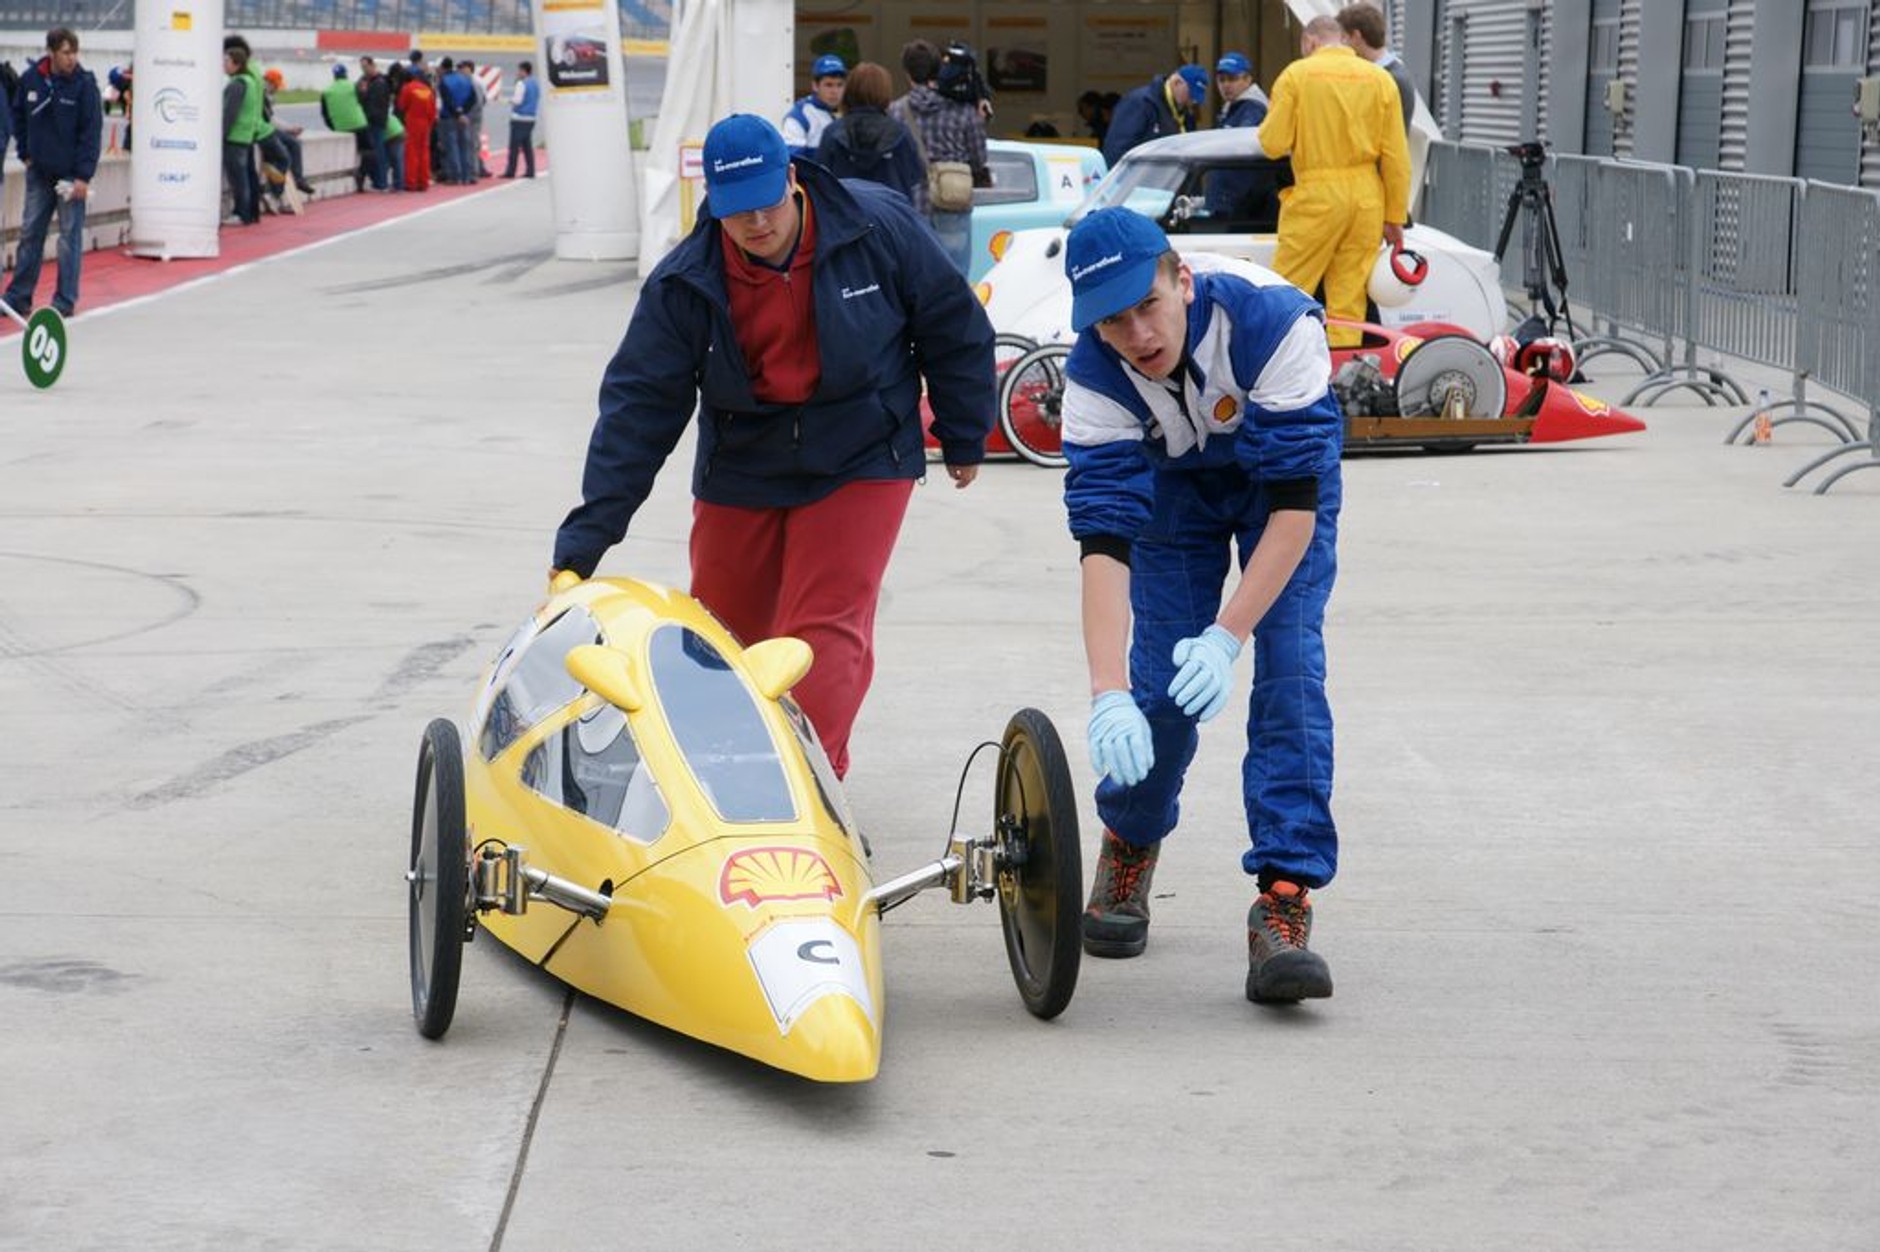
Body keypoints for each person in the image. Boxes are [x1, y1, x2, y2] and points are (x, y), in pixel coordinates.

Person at [549, 114, 996, 779]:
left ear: (792, 178)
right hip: (744, 458)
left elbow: (954, 325)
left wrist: (963, 431)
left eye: (765, 204)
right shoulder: (686, 281)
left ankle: (811, 786)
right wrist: (587, 539)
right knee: (722, 635)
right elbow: (639, 408)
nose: (755, 224)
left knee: (820, 632)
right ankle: (724, 788)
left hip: (861, 451)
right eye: (736, 213)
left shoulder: (877, 227)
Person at [1057, 206, 1343, 1004]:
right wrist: (1104, 690)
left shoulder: (1274, 322)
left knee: (1288, 672)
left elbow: (1294, 508)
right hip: (1171, 500)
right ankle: (1130, 840)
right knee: (1156, 695)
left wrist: (1227, 636)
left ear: (1181, 280)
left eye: (1148, 306)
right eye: (1113, 322)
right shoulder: (1093, 377)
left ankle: (1283, 900)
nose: (1137, 334)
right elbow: (1103, 545)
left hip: (1276, 492)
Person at [1258, 15, 1409, 346]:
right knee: (1349, 301)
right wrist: (1394, 216)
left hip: (1317, 196)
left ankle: (1279, 368)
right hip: (1367, 199)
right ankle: (1344, 375)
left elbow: (1272, 144)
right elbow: (1397, 156)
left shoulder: (1296, 76)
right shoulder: (1380, 80)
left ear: (1310, 42)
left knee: (1286, 291)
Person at [3, 27, 102, 320]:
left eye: (74, 52)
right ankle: (18, 296)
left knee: (68, 238)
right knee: (30, 233)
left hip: (70, 177)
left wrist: (83, 176)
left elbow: (91, 133)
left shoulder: (84, 85)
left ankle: (65, 299)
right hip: (39, 173)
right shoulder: (31, 80)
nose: (71, 58)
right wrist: (25, 153)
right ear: (51, 52)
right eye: (65, 52)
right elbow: (17, 115)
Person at [887, 39, 986, 276]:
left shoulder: (895, 112)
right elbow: (979, 158)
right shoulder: (964, 110)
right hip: (953, 203)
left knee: (913, 278)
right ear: (938, 69)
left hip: (910, 206)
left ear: (907, 72)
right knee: (955, 278)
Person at [814, 61, 924, 205]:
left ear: (850, 91)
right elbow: (914, 176)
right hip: (892, 218)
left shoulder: (832, 133)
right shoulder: (901, 133)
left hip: (847, 218)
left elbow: (821, 182)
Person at [1100, 64, 1208, 168]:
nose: (1193, 101)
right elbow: (1116, 151)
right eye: (1190, 94)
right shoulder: (1140, 103)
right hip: (1141, 182)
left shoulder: (1185, 113)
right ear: (1176, 83)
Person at [1337, 3, 1416, 138]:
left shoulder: (1392, 79)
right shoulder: (1389, 73)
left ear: (1356, 37)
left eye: (1343, 38)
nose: (1340, 45)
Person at [221, 46, 262, 227]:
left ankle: (240, 213)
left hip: (235, 136)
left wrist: (221, 135)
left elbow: (230, 113)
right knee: (247, 175)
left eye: (227, 61)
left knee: (238, 178)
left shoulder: (237, 84)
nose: (224, 64)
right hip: (246, 135)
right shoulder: (250, 81)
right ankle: (251, 212)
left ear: (237, 64)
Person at [781, 53, 845, 157]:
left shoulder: (851, 112)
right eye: (829, 85)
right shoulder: (799, 116)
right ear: (815, 86)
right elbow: (795, 162)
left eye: (839, 85)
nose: (835, 91)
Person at [322, 63, 370, 193]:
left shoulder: (327, 91)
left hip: (340, 127)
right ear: (346, 74)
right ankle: (361, 174)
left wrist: (334, 127)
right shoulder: (353, 86)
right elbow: (363, 100)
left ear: (334, 76)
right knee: (369, 151)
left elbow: (325, 114)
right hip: (359, 124)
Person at [396, 62, 439, 191]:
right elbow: (433, 111)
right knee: (424, 153)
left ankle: (411, 182)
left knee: (411, 153)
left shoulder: (407, 88)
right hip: (426, 124)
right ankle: (423, 182)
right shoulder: (428, 90)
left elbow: (401, 106)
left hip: (412, 122)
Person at [356, 56, 394, 192]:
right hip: (370, 120)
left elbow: (375, 103)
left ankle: (381, 182)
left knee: (378, 152)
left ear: (373, 65)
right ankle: (379, 181)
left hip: (375, 120)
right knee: (375, 152)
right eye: (362, 67)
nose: (364, 70)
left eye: (366, 67)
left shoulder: (379, 82)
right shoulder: (364, 81)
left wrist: (364, 93)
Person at [503, 60, 539, 179]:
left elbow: (517, 101)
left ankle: (511, 170)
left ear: (524, 71)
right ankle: (530, 170)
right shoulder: (535, 84)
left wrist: (508, 100)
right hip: (531, 118)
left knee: (514, 146)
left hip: (519, 118)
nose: (517, 73)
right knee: (527, 146)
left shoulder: (521, 84)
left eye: (519, 70)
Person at [1213, 52, 1268, 128]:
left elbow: (1243, 138)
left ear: (1247, 80)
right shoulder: (1230, 108)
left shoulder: (1253, 109)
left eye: (1232, 79)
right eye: (1221, 80)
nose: (1226, 85)